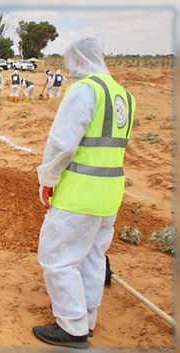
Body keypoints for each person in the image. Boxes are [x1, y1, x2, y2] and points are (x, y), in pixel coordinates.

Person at [33, 36, 136, 349]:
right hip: (110, 194)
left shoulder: (84, 90)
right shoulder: (124, 95)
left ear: (76, 60)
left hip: (79, 193)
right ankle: (87, 318)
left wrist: (47, 178)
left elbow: (62, 144)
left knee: (57, 258)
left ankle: (72, 327)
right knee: (92, 257)